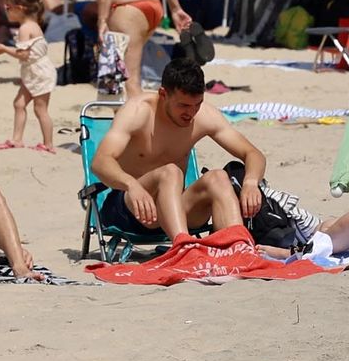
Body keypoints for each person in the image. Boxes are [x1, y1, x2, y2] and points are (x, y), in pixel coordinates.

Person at [89, 58, 264, 240]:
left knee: (218, 177)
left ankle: (236, 248)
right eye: (184, 105)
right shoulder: (138, 112)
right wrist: (131, 184)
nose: (191, 113)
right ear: (163, 94)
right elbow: (100, 161)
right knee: (170, 172)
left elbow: (252, 153)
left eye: (197, 104)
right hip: (131, 206)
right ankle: (183, 248)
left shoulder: (204, 115)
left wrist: (251, 183)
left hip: (176, 208)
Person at [0, 0, 57, 153]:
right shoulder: (33, 24)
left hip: (39, 73)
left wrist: (5, 49)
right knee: (19, 104)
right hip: (33, 72)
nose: (6, 11)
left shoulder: (25, 28)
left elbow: (24, 55)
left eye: (8, 7)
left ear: (19, 9)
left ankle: (48, 144)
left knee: (40, 109)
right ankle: (17, 139)